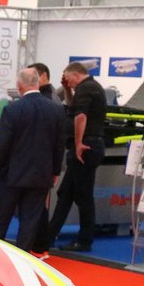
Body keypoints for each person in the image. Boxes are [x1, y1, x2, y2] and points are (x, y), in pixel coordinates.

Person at [0, 68, 66, 250]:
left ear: (19, 85)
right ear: (38, 83)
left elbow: (2, 146)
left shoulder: (12, 109)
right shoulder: (56, 109)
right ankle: (23, 259)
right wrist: (54, 171)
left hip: (10, 175)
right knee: (30, 221)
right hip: (41, 175)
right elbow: (59, 144)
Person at [44, 61, 108, 252]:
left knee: (83, 195)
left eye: (67, 78)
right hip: (86, 145)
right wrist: (66, 89)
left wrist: (79, 144)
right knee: (66, 193)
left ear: (75, 74)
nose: (66, 82)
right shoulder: (86, 88)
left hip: (86, 146)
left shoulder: (86, 88)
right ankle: (49, 236)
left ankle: (85, 240)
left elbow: (81, 116)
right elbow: (73, 108)